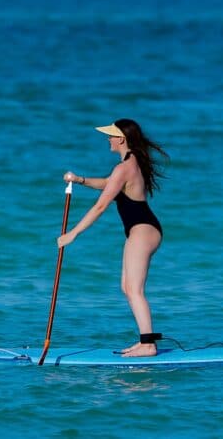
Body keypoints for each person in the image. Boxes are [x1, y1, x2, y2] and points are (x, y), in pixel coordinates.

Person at [57, 119, 169, 357]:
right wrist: (80, 180)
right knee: (128, 288)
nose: (107, 139)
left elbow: (101, 206)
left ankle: (148, 344)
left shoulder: (124, 167)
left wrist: (72, 234)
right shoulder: (130, 163)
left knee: (134, 289)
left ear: (121, 139)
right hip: (144, 228)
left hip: (142, 229)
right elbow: (109, 184)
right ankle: (145, 340)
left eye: (110, 135)